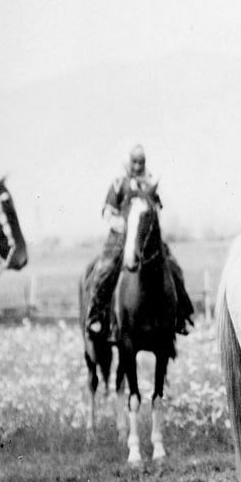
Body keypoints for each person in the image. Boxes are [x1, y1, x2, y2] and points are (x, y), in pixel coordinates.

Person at [86, 144, 194, 337]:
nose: (138, 165)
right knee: (105, 269)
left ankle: (181, 315)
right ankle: (97, 316)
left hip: (146, 238)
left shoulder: (150, 183)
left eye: (141, 161)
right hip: (121, 236)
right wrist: (126, 225)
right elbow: (108, 212)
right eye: (135, 161)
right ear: (129, 161)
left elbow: (158, 208)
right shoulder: (120, 182)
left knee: (174, 267)